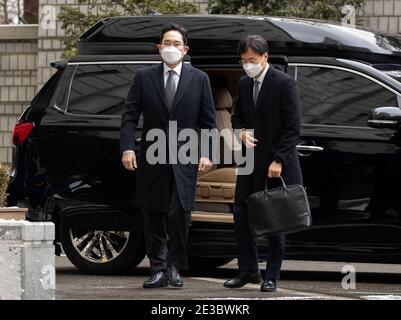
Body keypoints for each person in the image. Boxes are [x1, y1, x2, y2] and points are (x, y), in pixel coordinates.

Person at [120, 23, 216, 289]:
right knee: (154, 212)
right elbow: (129, 115)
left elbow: (208, 122)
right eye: (166, 43)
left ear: (185, 50)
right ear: (158, 47)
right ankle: (157, 268)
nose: (170, 48)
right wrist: (128, 148)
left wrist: (207, 153)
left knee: (179, 213)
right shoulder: (144, 77)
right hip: (152, 154)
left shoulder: (199, 79)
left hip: (185, 155)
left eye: (176, 44)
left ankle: (174, 266)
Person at [224, 35, 303, 292]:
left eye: (253, 60)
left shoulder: (284, 83)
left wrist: (279, 158)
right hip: (249, 162)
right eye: (244, 60)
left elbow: (293, 127)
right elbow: (236, 117)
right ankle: (248, 271)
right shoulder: (245, 84)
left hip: (274, 163)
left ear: (265, 57)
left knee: (274, 221)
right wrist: (241, 132)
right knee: (241, 216)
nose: (248, 64)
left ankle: (271, 275)